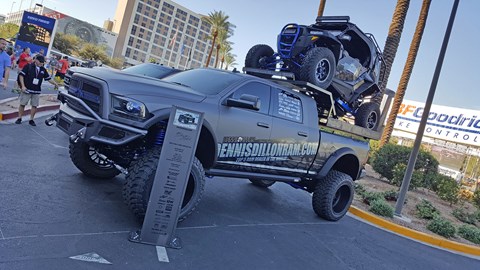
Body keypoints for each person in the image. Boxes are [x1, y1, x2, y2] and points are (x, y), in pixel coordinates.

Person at [15, 55, 59, 126]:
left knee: (34, 105)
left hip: (36, 91)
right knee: (22, 104)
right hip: (27, 89)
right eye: (40, 62)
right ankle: (19, 118)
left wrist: (55, 83)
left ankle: (31, 119)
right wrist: (23, 86)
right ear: (36, 60)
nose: (42, 63)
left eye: (43, 62)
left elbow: (48, 78)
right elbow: (21, 75)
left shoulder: (43, 69)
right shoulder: (28, 66)